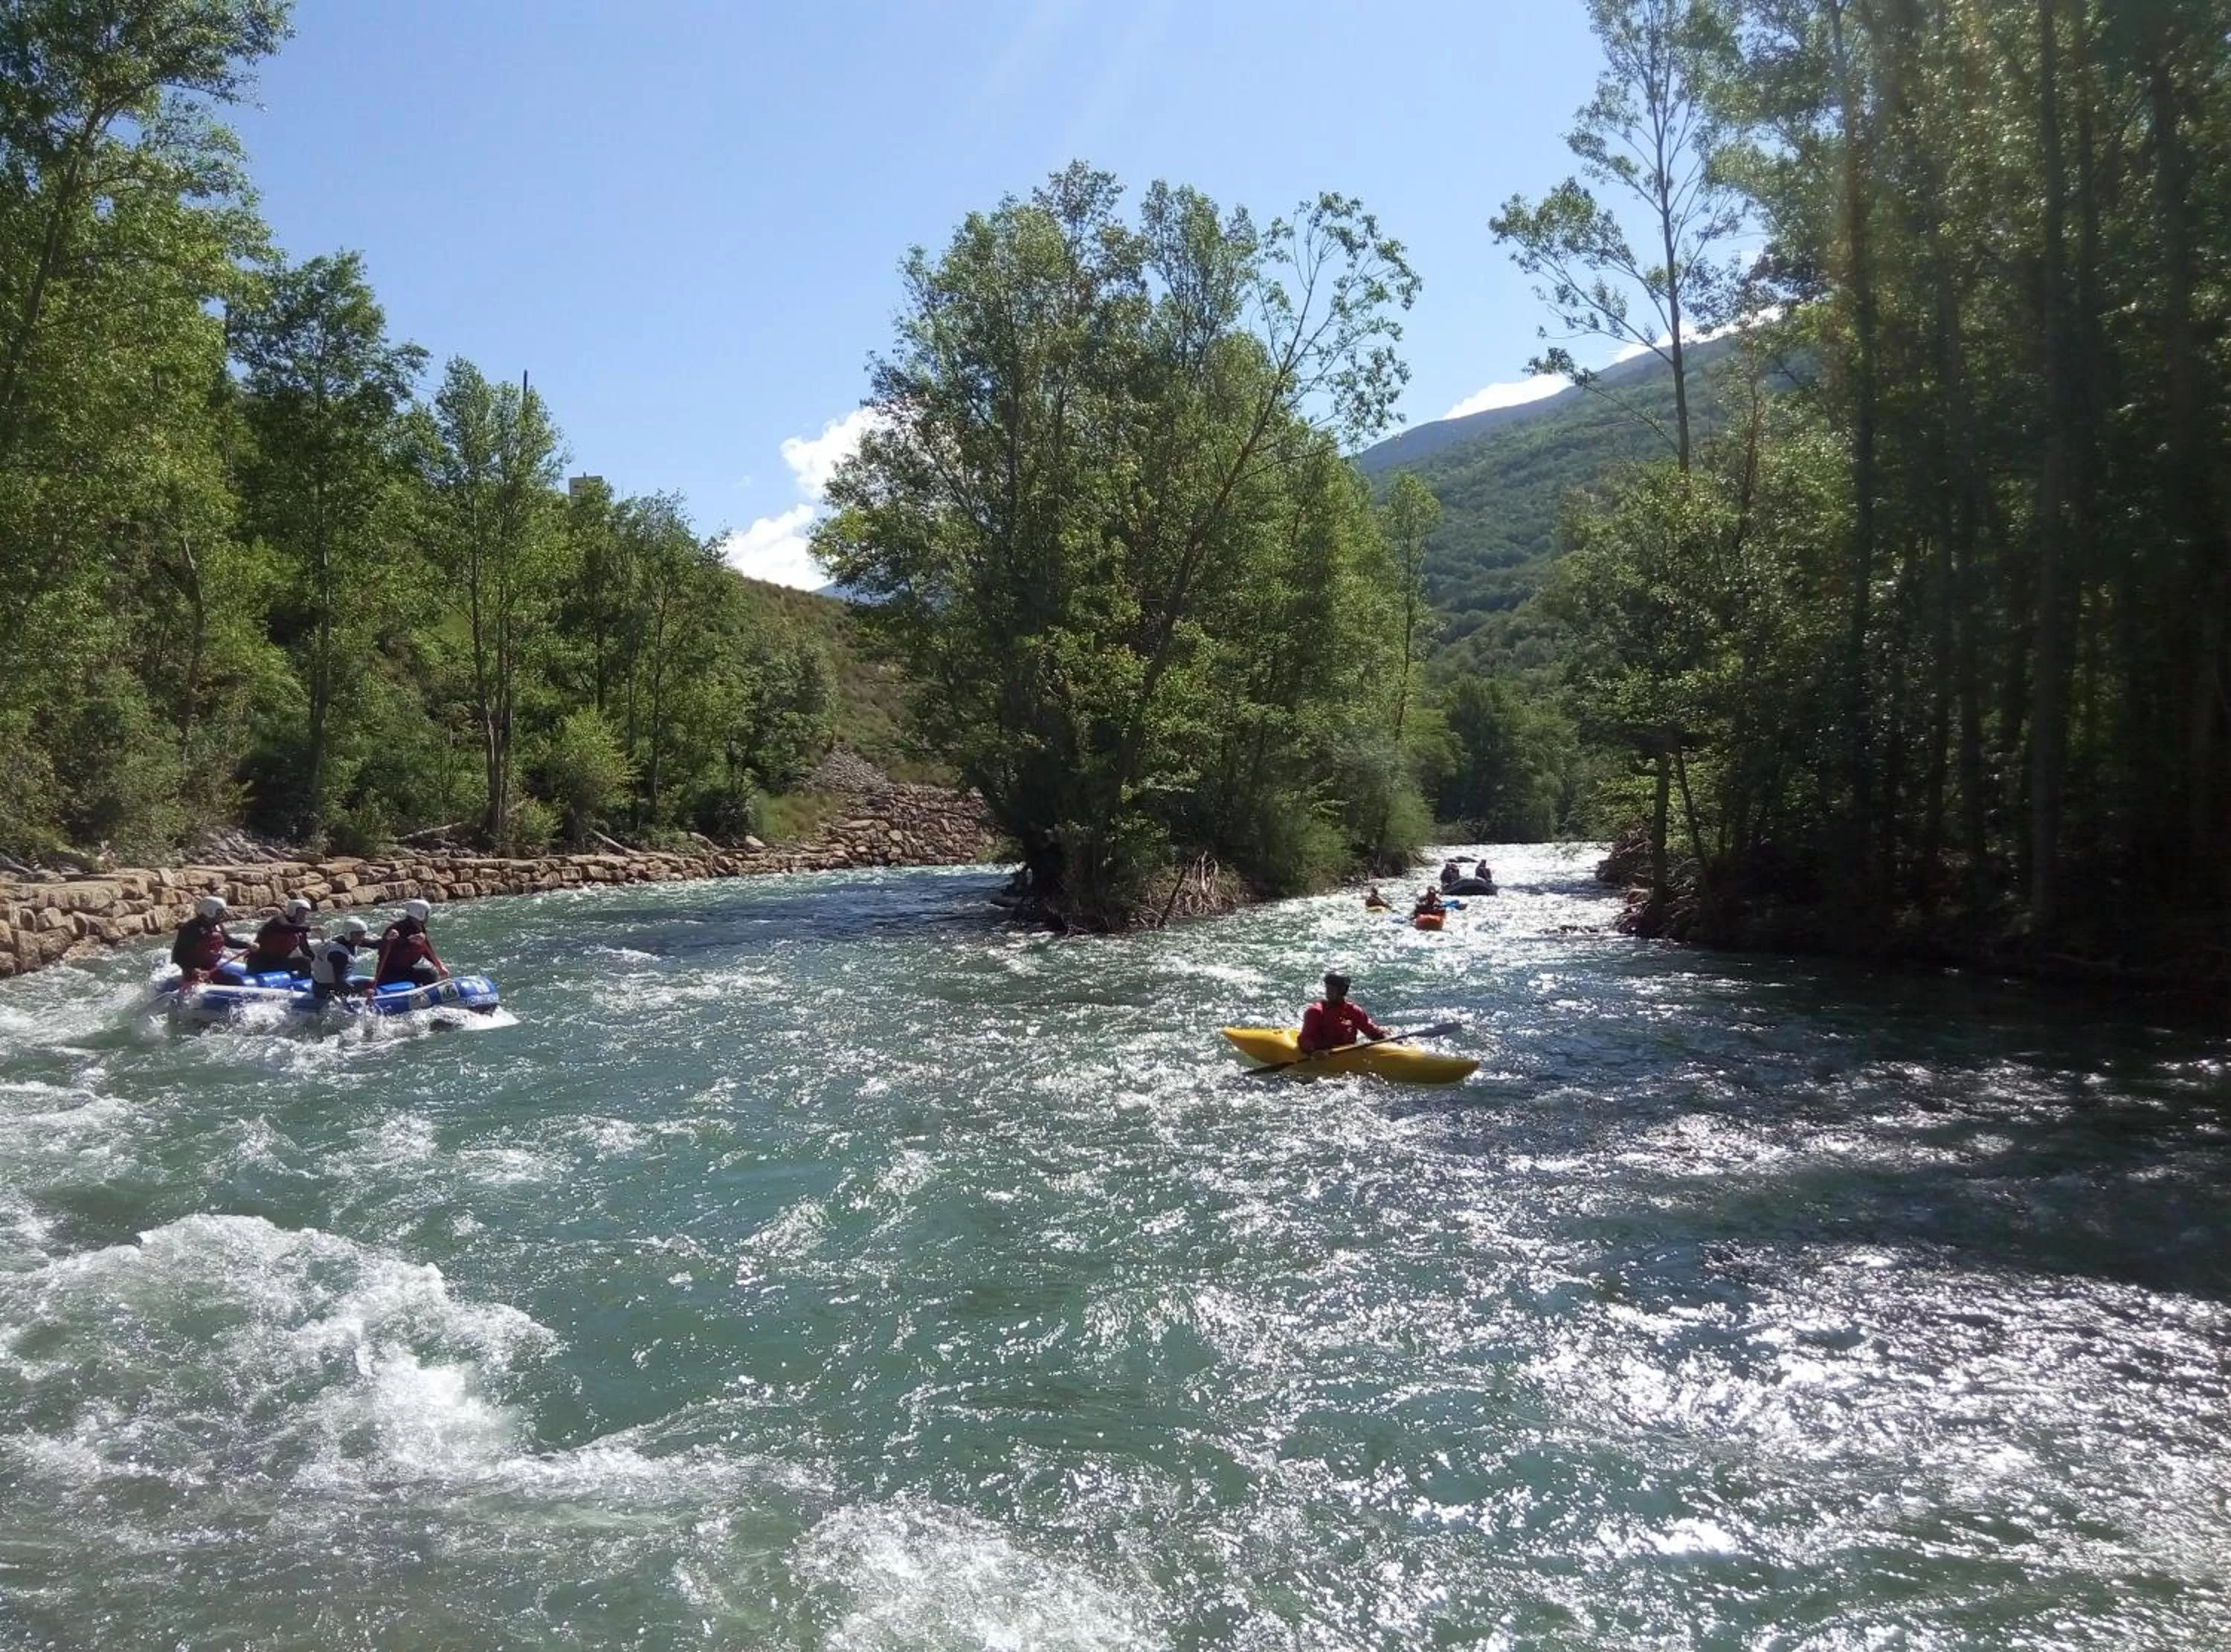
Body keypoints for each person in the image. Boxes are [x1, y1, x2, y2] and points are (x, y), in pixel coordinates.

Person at [1298, 970, 1389, 1054]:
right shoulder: (1315, 1012)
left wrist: (1387, 1038)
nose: (1328, 992)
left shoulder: (1354, 1011)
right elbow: (1305, 1038)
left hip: (1346, 1053)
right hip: (1322, 1054)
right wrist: (1313, 1051)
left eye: (1332, 989)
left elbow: (1373, 1032)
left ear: (1342, 991)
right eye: (1327, 988)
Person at [375, 898, 448, 987]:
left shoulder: (420, 929)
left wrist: (439, 966)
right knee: (430, 975)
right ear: (420, 913)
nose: (428, 917)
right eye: (427, 914)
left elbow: (426, 950)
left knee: (431, 974)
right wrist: (408, 941)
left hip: (406, 970)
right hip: (390, 974)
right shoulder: (397, 929)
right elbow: (385, 946)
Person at [241, 896, 316, 974]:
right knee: (304, 962)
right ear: (292, 911)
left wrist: (320, 960)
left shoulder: (300, 930)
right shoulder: (277, 922)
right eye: (302, 914)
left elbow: (306, 951)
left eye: (306, 915)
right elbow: (286, 928)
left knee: (306, 961)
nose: (304, 917)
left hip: (277, 962)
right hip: (260, 964)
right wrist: (310, 929)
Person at [170, 894, 234, 984]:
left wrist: (247, 945)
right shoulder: (190, 928)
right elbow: (177, 956)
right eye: (220, 912)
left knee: (236, 980)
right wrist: (193, 970)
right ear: (210, 911)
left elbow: (228, 941)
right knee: (234, 981)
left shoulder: (216, 925)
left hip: (211, 968)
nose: (223, 915)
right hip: (194, 973)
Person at [309, 917, 373, 1004]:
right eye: (358, 935)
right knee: (370, 984)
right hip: (326, 991)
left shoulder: (339, 940)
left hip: (318, 985)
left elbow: (371, 943)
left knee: (371, 983)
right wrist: (362, 993)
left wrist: (386, 940)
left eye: (363, 934)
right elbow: (340, 984)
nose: (362, 938)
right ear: (349, 934)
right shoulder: (340, 955)